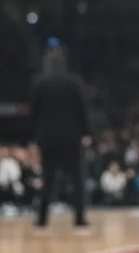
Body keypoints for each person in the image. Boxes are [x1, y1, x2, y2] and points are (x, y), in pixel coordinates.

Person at [29, 44, 89, 230]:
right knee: (77, 178)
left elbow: (34, 113)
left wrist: (34, 136)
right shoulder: (74, 82)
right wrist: (85, 132)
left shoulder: (39, 82)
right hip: (71, 135)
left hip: (47, 136)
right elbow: (82, 110)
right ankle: (79, 219)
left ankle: (42, 219)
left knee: (48, 178)